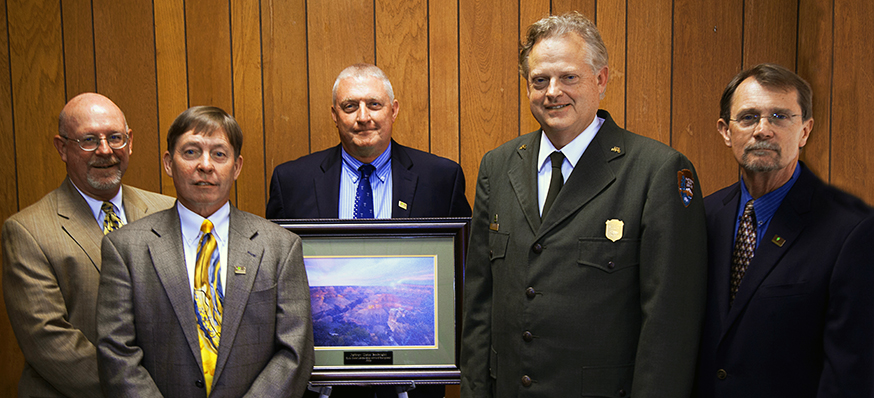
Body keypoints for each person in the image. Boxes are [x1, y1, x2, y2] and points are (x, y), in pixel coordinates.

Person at [459, 12, 708, 397]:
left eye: (568, 77)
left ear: (601, 80)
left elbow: (669, 325)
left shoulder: (655, 171)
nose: (552, 91)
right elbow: (479, 303)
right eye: (539, 80)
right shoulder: (499, 165)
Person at [96, 106, 314, 397]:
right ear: (168, 163)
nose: (205, 165)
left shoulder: (280, 247)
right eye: (191, 152)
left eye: (219, 154)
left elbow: (294, 352)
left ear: (236, 167)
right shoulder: (125, 248)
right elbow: (116, 352)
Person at [695, 63, 874, 397]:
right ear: (725, 131)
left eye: (780, 117)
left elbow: (852, 371)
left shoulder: (851, 231)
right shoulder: (703, 216)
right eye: (748, 117)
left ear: (805, 131)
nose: (763, 130)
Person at [1, 93, 175, 397]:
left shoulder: (168, 211)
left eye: (115, 137)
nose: (105, 150)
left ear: (130, 141)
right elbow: (49, 342)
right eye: (89, 140)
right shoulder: (27, 231)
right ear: (62, 148)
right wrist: (138, 390)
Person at [266, 63, 471, 220]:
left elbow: (461, 261)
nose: (363, 117)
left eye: (374, 104)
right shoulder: (291, 183)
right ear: (334, 115)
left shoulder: (441, 179)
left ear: (393, 110)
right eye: (350, 106)